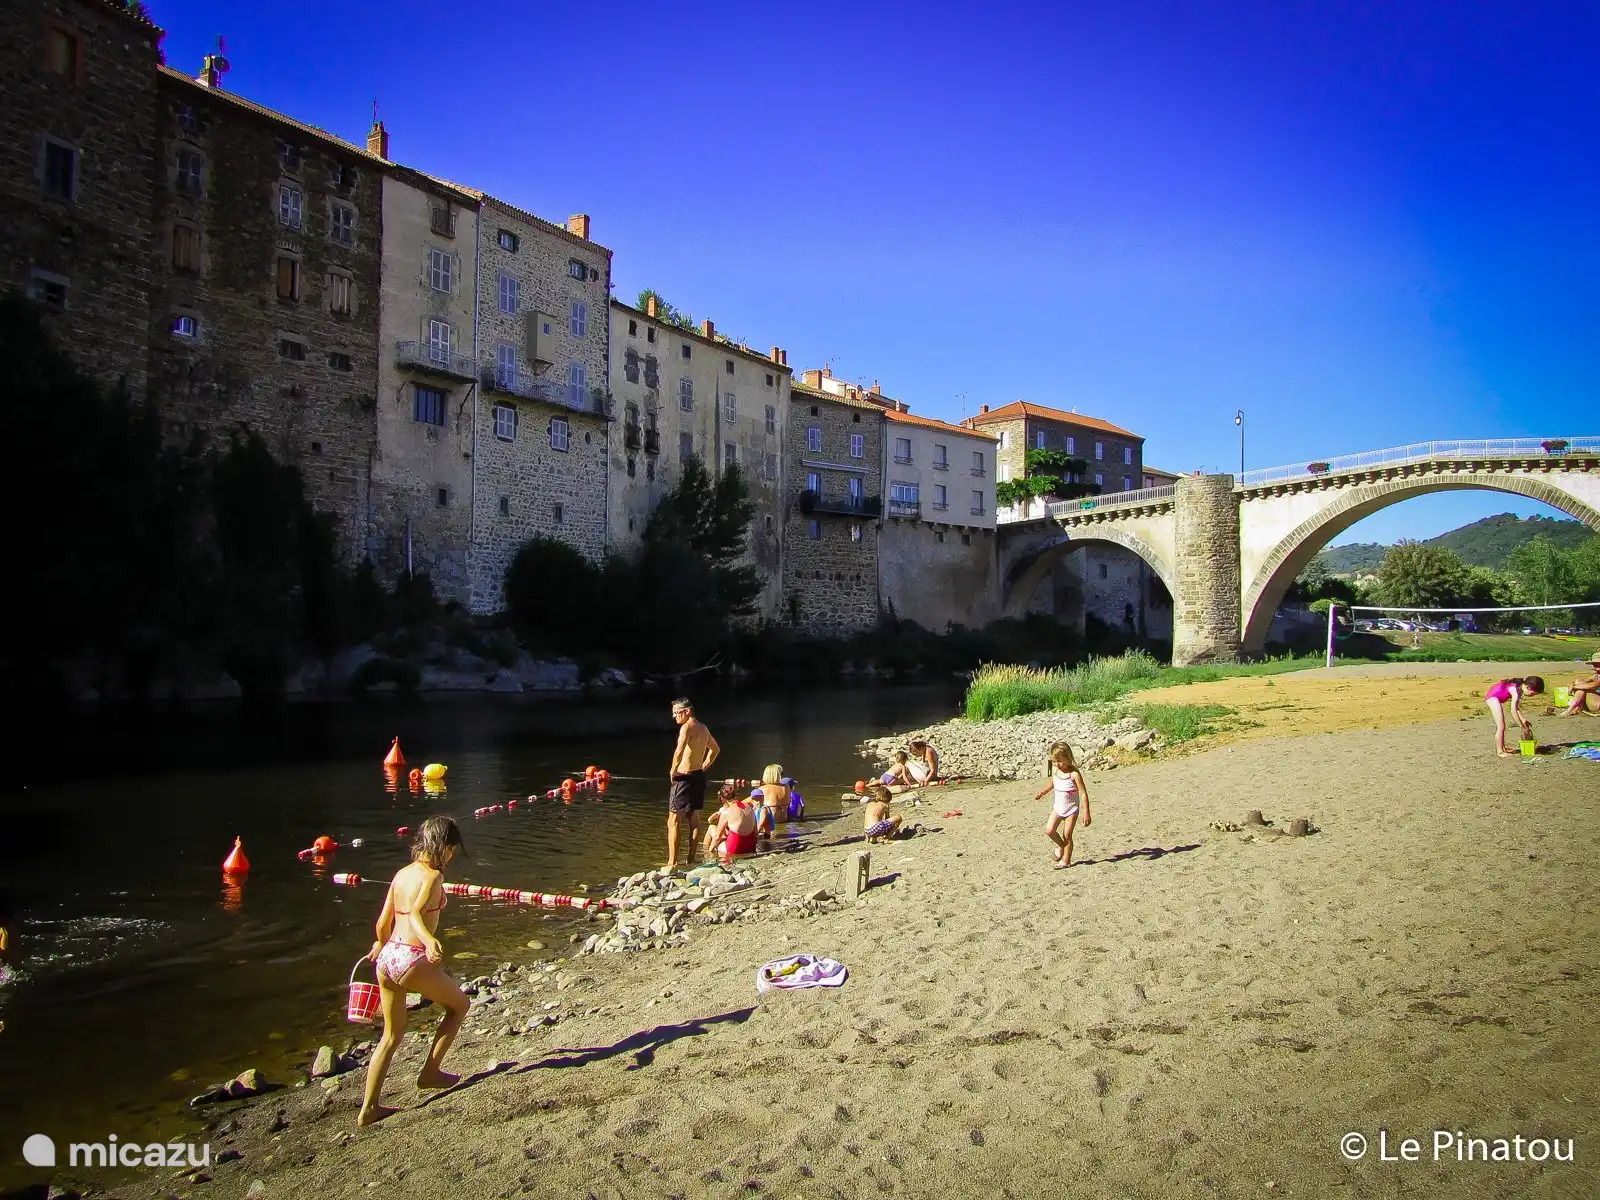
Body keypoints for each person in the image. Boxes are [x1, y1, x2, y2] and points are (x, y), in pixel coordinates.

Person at [359, 816, 470, 1127]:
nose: (452, 855)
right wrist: (429, 940)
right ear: (445, 847)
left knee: (391, 1036)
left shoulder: (401, 874)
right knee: (460, 1006)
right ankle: (431, 1072)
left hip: (387, 957)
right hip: (410, 958)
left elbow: (383, 924)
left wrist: (380, 946)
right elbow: (418, 915)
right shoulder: (432, 877)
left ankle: (369, 1108)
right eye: (452, 849)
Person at [666, 698, 719, 869]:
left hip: (685, 777)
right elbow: (715, 749)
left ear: (687, 711)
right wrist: (703, 767)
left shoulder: (686, 727)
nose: (674, 716)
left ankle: (672, 862)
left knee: (673, 820)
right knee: (694, 819)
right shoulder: (703, 728)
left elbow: (679, 750)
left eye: (677, 712)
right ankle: (690, 860)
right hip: (697, 776)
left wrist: (673, 771)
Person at [1034, 741, 1090, 869]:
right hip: (1058, 808)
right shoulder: (1055, 770)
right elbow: (1052, 783)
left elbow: (1083, 794)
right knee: (1049, 830)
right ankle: (1061, 845)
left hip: (1071, 810)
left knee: (1067, 835)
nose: (1056, 764)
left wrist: (1086, 812)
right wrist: (1043, 792)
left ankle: (1066, 860)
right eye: (1054, 761)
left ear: (1067, 758)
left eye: (1059, 761)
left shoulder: (1074, 775)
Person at [1485, 676, 1543, 757]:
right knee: (1501, 726)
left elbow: (1516, 708)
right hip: (1492, 698)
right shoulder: (1515, 690)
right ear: (1528, 687)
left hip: (1496, 698)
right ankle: (1500, 751)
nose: (1531, 696)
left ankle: (1503, 748)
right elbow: (1513, 711)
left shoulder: (1519, 688)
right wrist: (1522, 727)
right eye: (1532, 694)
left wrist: (1523, 720)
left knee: (1502, 726)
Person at [703, 785, 758, 858]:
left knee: (711, 828)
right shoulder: (749, 807)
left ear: (722, 798)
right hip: (750, 847)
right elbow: (755, 831)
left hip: (734, 849)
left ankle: (705, 852)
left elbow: (717, 837)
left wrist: (710, 852)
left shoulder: (727, 812)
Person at [753, 764, 791, 836]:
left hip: (771, 824)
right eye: (781, 773)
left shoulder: (762, 789)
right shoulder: (786, 787)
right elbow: (789, 802)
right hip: (783, 820)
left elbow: (750, 802)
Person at [1560, 651, 1600, 716]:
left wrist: (1574, 686)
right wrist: (1573, 684)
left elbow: (1593, 685)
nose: (1597, 667)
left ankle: (1571, 709)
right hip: (1595, 701)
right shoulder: (1596, 676)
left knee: (1582, 688)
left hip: (1598, 705)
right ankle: (1576, 708)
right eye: (1595, 664)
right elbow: (1582, 681)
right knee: (1579, 681)